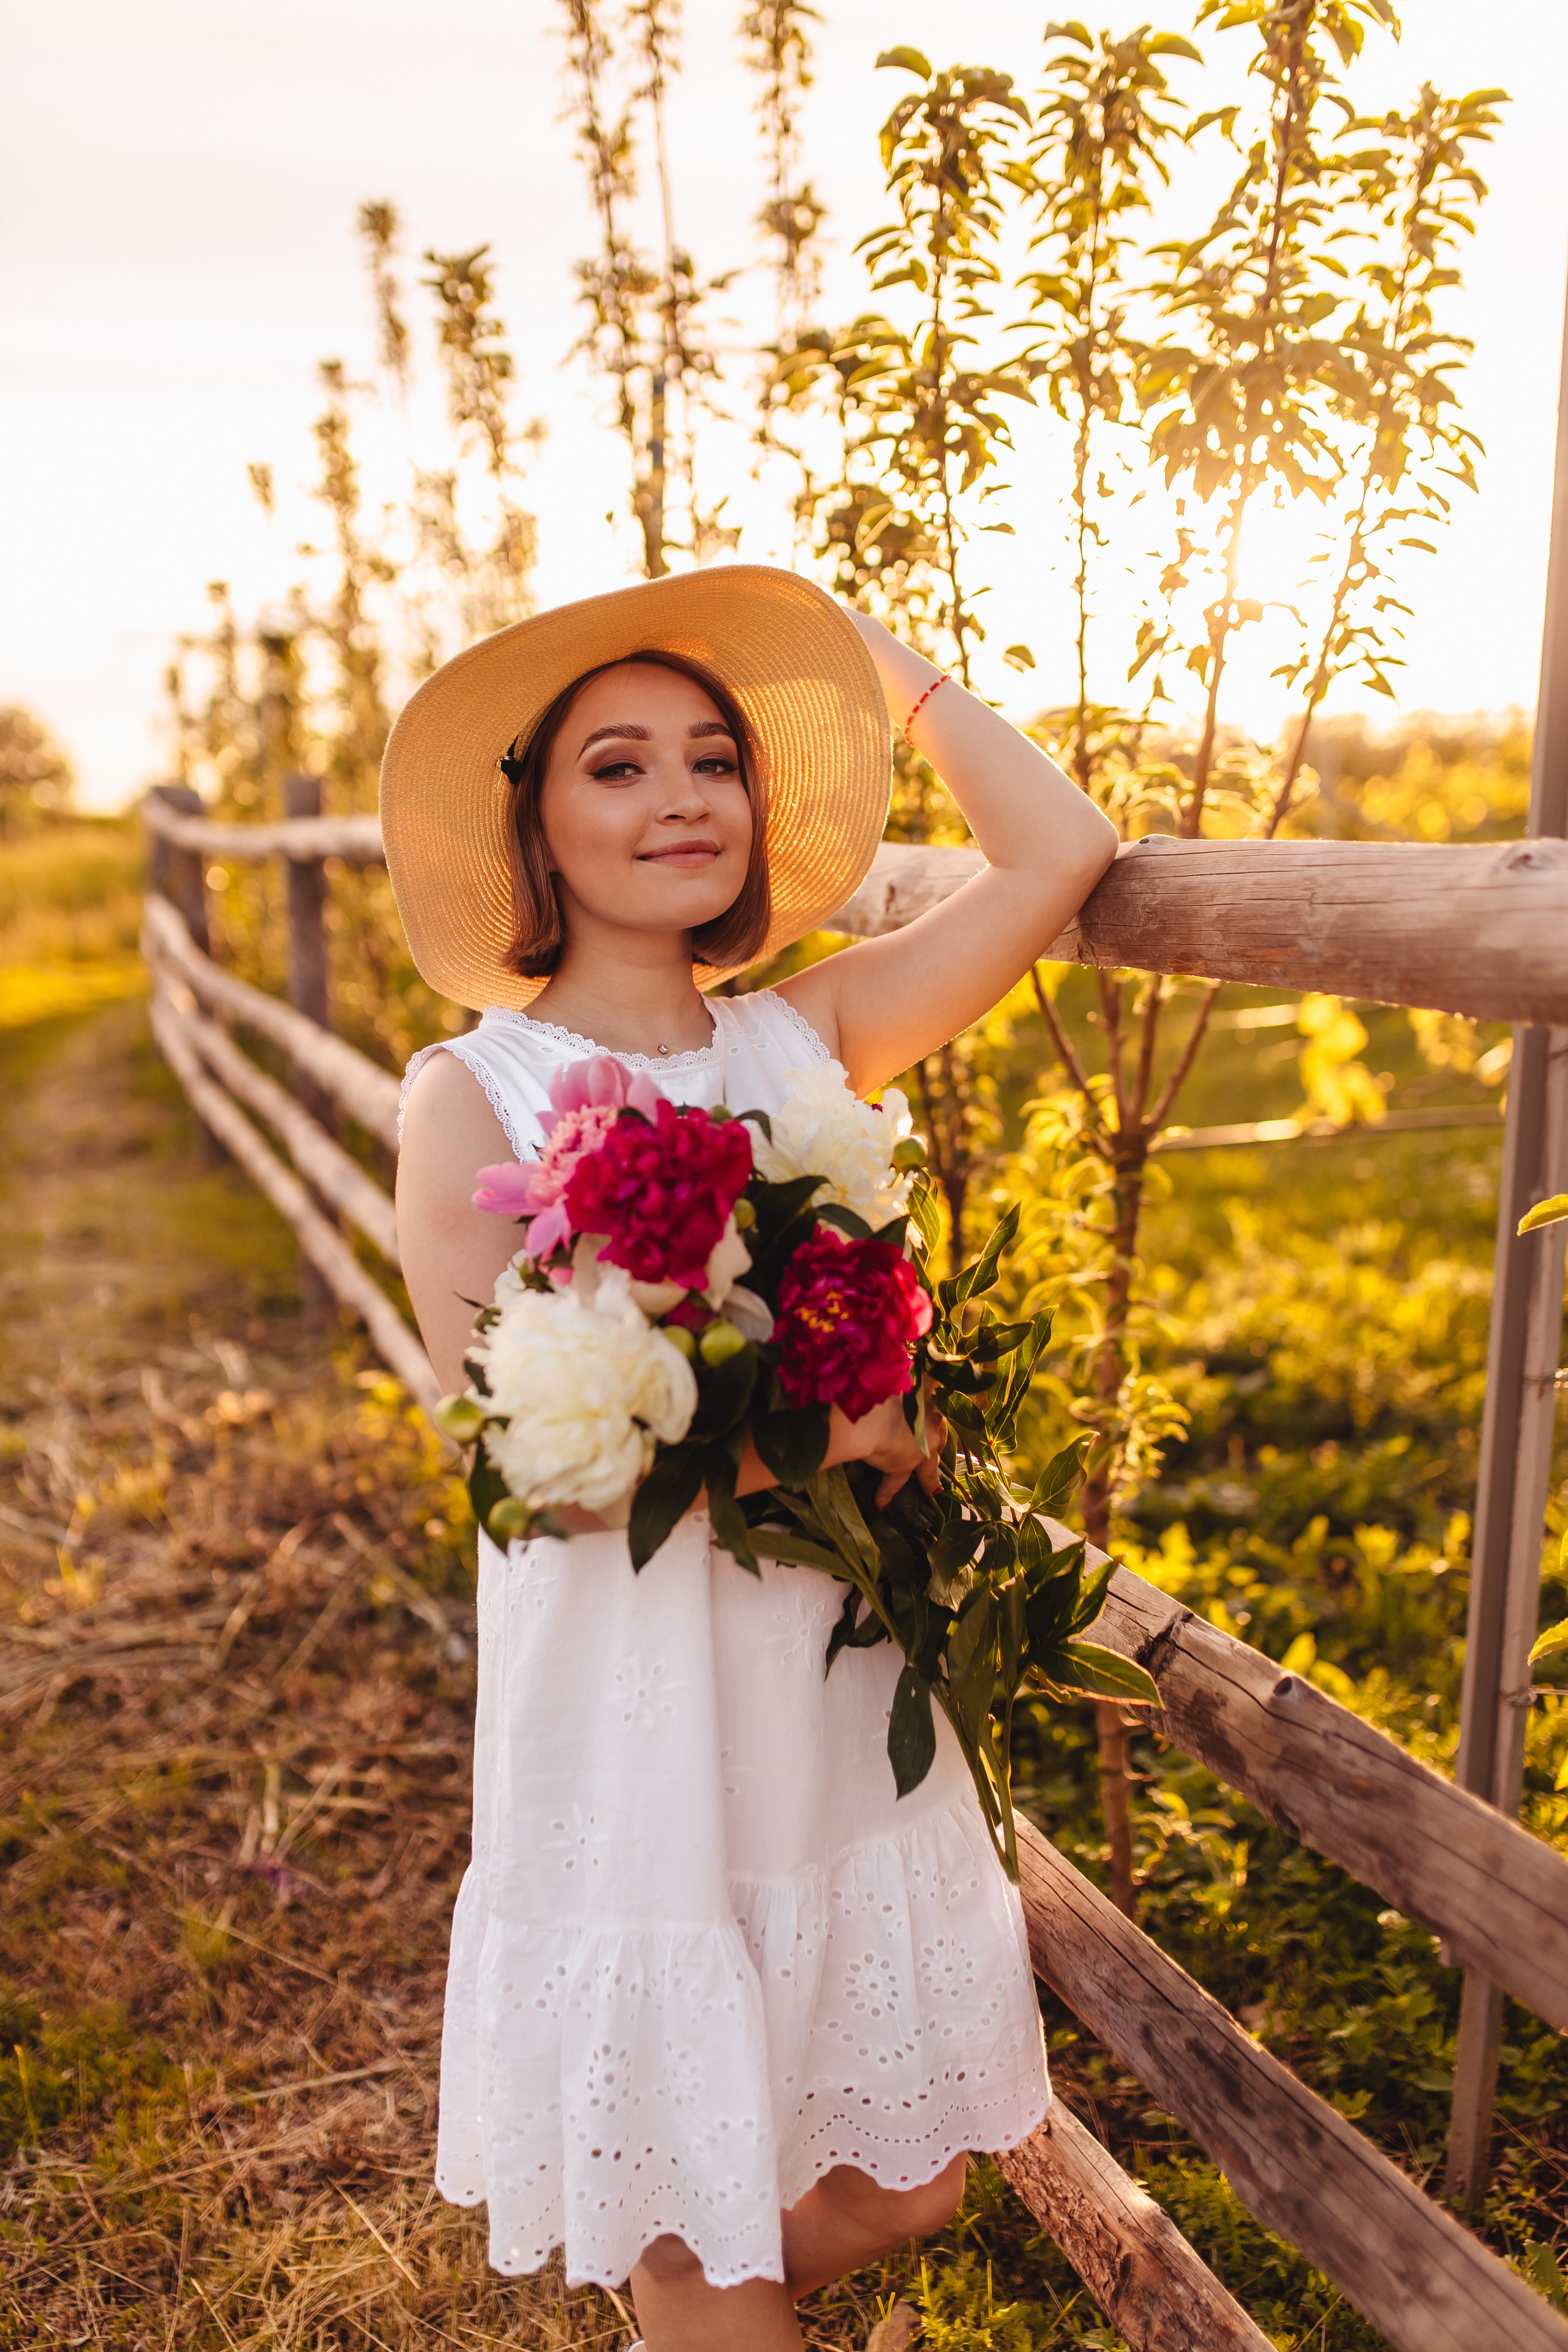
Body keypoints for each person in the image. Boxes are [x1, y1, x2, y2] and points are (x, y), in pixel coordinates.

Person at [390, 566, 1118, 2351]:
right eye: (617, 767)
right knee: (700, 2223)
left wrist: (895, 683)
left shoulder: (813, 1034)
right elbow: (518, 1446)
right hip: (635, 1689)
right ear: (539, 831)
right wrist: (818, 1437)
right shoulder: (473, 1090)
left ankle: (689, 2296)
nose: (680, 798)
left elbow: (1062, 855)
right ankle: (692, 2295)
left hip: (816, 1677)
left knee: (906, 2181)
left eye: (715, 758)